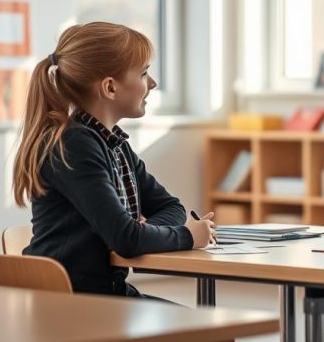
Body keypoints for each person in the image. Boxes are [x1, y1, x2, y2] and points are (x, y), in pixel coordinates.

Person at [12, 22, 215, 297]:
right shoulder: (74, 145)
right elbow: (126, 240)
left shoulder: (115, 144)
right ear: (110, 88)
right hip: (71, 303)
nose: (153, 83)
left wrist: (141, 232)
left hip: (103, 292)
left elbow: (170, 206)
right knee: (208, 332)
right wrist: (190, 236)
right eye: (144, 73)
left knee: (205, 329)